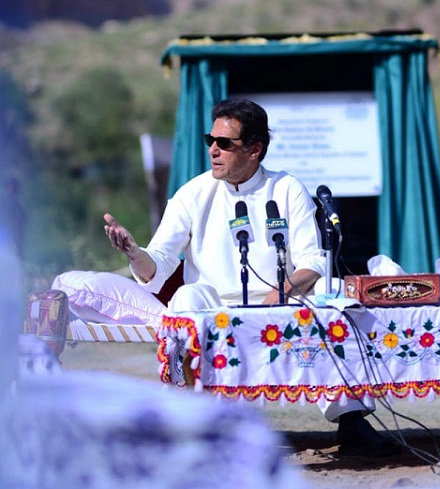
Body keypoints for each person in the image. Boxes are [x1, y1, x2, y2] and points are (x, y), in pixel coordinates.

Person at [104, 98, 398, 457]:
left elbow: (313, 262)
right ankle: (186, 417)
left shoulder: (287, 189)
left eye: (225, 143)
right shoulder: (192, 194)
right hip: (218, 306)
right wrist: (134, 252)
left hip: (284, 302)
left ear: (255, 149)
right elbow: (159, 264)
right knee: (185, 298)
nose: (213, 149)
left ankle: (351, 420)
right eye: (210, 140)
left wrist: (283, 290)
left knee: (331, 292)